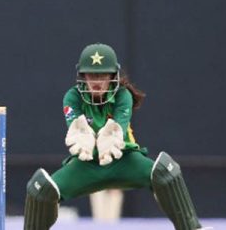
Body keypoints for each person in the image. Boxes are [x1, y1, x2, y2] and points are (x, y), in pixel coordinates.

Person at [23, 43, 211, 230]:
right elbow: (74, 124)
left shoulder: (123, 95)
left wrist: (113, 135)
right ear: (83, 76)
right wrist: (80, 132)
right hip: (87, 164)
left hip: (124, 160)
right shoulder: (72, 96)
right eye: (92, 74)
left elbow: (118, 127)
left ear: (113, 76)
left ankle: (192, 228)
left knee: (166, 172)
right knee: (40, 189)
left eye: (103, 75)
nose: (96, 81)